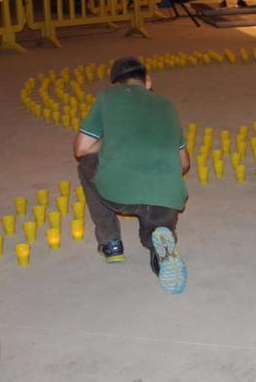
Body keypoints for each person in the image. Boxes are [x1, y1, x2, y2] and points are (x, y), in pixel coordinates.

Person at [74, 57, 190, 294]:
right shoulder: (166, 105)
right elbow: (184, 163)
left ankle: (110, 242)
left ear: (115, 85)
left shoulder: (107, 97)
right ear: (147, 81)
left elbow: (81, 149)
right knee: (155, 221)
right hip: (166, 198)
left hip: (119, 193)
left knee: (86, 164)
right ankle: (159, 240)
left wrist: (110, 145)